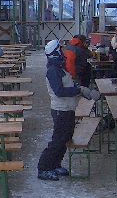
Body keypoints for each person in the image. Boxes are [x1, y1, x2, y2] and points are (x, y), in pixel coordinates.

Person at [37, 39, 99, 181]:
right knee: (58, 140)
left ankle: (55, 164)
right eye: (60, 49)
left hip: (68, 109)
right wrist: (78, 90)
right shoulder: (53, 70)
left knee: (65, 138)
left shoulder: (59, 67)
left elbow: (68, 84)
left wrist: (81, 90)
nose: (63, 51)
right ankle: (44, 168)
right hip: (61, 110)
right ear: (55, 52)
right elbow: (59, 91)